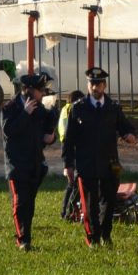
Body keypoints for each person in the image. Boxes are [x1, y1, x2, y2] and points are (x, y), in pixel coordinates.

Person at [62, 67, 137, 249]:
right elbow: (68, 139)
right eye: (92, 84)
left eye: (99, 84)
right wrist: (68, 164)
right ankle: (93, 238)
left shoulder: (113, 108)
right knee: (90, 204)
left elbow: (126, 127)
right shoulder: (78, 109)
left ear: (104, 85)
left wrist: (128, 135)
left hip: (110, 163)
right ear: (88, 85)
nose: (95, 88)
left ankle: (105, 234)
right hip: (86, 163)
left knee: (109, 200)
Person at [0, 72, 56, 251]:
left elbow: (43, 135)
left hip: (35, 163)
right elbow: (9, 131)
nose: (42, 94)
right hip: (17, 165)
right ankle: (22, 240)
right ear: (27, 90)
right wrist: (25, 114)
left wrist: (51, 137)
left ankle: (27, 237)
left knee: (29, 205)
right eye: (40, 91)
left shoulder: (39, 110)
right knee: (20, 203)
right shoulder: (10, 109)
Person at [56, 89, 84, 220]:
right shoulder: (72, 109)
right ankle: (68, 211)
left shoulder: (64, 109)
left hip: (66, 146)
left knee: (72, 184)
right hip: (71, 147)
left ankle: (66, 211)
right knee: (74, 183)